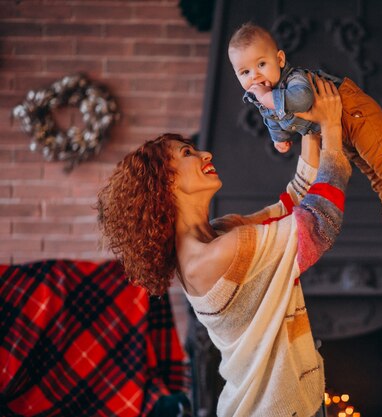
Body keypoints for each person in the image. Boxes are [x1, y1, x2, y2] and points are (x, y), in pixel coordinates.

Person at [97, 75, 350, 417]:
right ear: (166, 183)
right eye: (188, 153)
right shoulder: (217, 255)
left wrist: (309, 129)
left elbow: (292, 204)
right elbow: (319, 224)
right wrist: (332, 130)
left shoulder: (218, 234)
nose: (206, 153)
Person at [227, 22, 382, 229]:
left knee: (381, 158)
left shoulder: (295, 79)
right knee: (364, 162)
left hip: (356, 112)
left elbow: (302, 100)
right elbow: (271, 118)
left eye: (261, 65)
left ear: (279, 59)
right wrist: (280, 138)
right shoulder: (262, 98)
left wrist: (267, 97)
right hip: (336, 126)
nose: (255, 76)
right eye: (244, 72)